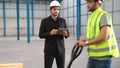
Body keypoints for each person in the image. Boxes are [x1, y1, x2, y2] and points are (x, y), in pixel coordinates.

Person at [74, 0, 119, 68]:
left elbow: (103, 36)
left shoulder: (103, 16)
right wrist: (84, 40)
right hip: (93, 57)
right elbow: (95, 35)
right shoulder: (92, 17)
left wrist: (86, 43)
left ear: (97, 2)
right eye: (87, 2)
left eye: (90, 2)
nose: (87, 4)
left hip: (103, 59)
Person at [39, 0, 69, 68]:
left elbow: (68, 34)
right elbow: (40, 35)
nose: (56, 11)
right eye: (54, 9)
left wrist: (65, 34)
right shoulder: (44, 21)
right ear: (50, 10)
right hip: (49, 50)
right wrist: (50, 33)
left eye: (58, 9)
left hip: (60, 50)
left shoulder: (62, 21)